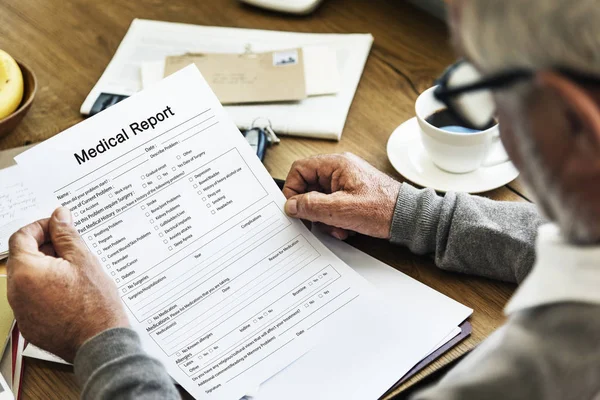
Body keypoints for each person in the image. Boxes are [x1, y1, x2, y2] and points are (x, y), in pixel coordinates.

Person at [7, 0, 600, 398]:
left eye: (484, 89)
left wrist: (98, 341)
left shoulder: (546, 369)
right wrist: (418, 214)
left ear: (577, 121)